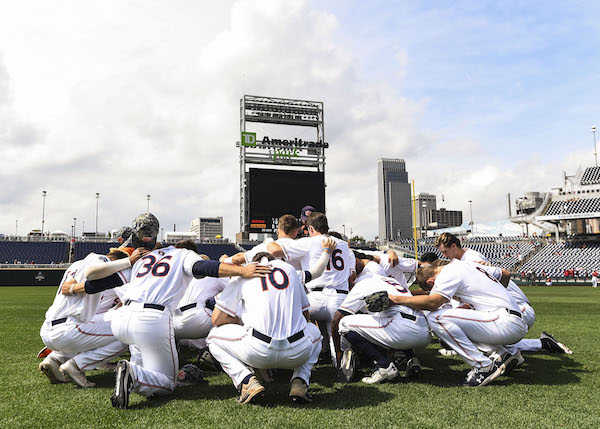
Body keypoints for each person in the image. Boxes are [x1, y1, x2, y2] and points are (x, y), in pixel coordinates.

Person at [76, 213, 272, 409]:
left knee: (146, 369)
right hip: (151, 320)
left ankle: (133, 374)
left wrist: (78, 287)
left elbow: (95, 283)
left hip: (122, 320)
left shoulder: (141, 260)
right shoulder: (182, 254)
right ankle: (131, 375)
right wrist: (241, 271)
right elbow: (203, 266)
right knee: (166, 384)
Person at [207, 243, 336, 405]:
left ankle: (246, 380)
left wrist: (241, 321)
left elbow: (216, 319)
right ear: (273, 259)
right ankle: (300, 380)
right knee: (314, 332)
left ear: (253, 263)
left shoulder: (244, 274)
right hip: (297, 352)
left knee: (212, 338)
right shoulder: (290, 271)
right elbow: (306, 316)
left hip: (257, 352)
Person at [403, 260, 527, 387]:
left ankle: (483, 366)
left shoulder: (447, 273)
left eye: (432, 289)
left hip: (505, 322)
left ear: (431, 282)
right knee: (455, 322)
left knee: (436, 318)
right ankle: (504, 354)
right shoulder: (466, 265)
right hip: (511, 318)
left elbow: (433, 303)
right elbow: (505, 274)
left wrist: (397, 299)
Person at [39, 246, 147, 387]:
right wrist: (129, 262)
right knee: (128, 332)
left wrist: (73, 288)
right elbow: (95, 270)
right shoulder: (99, 260)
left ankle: (54, 358)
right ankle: (76, 365)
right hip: (69, 328)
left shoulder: (78, 263)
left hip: (51, 326)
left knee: (101, 328)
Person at [267, 211, 356, 364]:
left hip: (315, 299)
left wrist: (268, 240)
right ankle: (340, 364)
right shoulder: (343, 244)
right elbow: (350, 275)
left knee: (295, 321)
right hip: (340, 298)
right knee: (336, 337)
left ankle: (296, 359)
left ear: (311, 229)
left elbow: (274, 250)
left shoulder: (309, 241)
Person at [331, 261, 429, 384]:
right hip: (423, 331)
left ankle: (383, 366)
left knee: (345, 323)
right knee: (383, 316)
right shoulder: (392, 281)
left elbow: (336, 319)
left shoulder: (364, 283)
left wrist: (338, 351)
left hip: (403, 330)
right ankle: (412, 359)